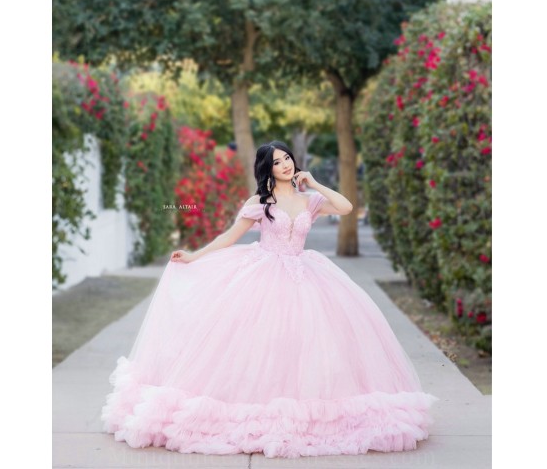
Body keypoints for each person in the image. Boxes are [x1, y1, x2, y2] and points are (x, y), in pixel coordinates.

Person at [101, 140, 437, 458]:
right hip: (263, 273)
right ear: (267, 169)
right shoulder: (260, 203)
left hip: (306, 275)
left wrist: (315, 183)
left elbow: (347, 207)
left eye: (287, 158)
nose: (285, 165)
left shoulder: (310, 201)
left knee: (311, 344)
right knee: (260, 345)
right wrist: (194, 256)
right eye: (277, 162)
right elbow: (229, 236)